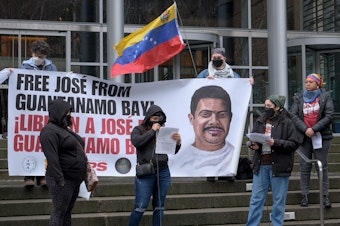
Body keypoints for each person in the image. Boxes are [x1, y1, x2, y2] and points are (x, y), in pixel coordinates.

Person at [246, 95, 301, 226]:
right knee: (256, 200)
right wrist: (253, 145)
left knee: (278, 201)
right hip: (261, 165)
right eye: (265, 106)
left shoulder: (288, 122)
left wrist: (274, 142)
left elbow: (293, 144)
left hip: (279, 167)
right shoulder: (260, 120)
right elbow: (253, 137)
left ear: (278, 107)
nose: (266, 109)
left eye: (269, 106)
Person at [128, 104, 182, 226]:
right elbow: (137, 142)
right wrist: (152, 130)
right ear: (148, 117)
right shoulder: (139, 129)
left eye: (159, 118)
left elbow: (172, 151)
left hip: (163, 172)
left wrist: (178, 142)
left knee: (159, 207)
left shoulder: (164, 131)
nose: (157, 120)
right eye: (154, 117)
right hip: (146, 173)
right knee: (140, 206)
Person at [40, 98, 87, 226]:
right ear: (59, 112)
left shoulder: (64, 130)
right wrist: (60, 181)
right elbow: (52, 158)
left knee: (67, 212)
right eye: (67, 112)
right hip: (62, 180)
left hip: (74, 179)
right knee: (59, 212)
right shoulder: (49, 131)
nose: (69, 115)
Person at [169, 85, 235, 177]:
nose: (214, 122)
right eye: (206, 114)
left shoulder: (235, 158)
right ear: (191, 118)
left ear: (230, 118)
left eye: (222, 114)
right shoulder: (177, 162)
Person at [290, 73, 334, 209]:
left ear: (317, 84)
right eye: (306, 82)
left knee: (322, 167)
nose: (307, 84)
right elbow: (293, 115)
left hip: (321, 136)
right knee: (304, 167)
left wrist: (314, 129)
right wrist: (306, 129)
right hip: (304, 137)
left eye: (310, 82)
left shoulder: (325, 97)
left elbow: (329, 115)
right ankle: (305, 195)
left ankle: (325, 196)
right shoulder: (298, 97)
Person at [21, 40, 58, 188]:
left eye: (42, 56)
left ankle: (42, 176)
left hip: (45, 112)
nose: (39, 58)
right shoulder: (25, 66)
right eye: (37, 55)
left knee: (45, 144)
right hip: (30, 112)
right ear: (32, 53)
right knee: (29, 143)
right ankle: (28, 176)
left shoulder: (51, 67)